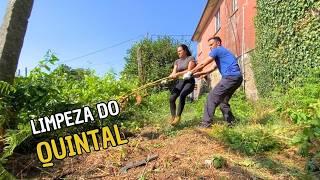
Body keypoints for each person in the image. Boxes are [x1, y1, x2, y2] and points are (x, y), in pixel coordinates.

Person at [191, 36, 243, 128]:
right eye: (209, 46)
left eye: (211, 45)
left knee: (211, 97)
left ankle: (205, 124)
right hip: (237, 78)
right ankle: (231, 122)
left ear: (218, 43)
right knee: (223, 101)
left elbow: (203, 63)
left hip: (230, 77)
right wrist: (199, 73)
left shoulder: (217, 50)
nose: (210, 47)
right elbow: (211, 68)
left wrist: (190, 72)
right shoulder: (223, 52)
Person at [168, 44, 196, 126]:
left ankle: (178, 117)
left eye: (180, 51)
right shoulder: (177, 61)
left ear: (185, 51)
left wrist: (177, 74)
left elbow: (189, 70)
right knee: (172, 98)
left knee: (182, 95)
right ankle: (173, 117)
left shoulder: (190, 58)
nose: (178, 53)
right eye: (177, 51)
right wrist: (171, 76)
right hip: (180, 82)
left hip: (189, 81)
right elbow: (174, 71)